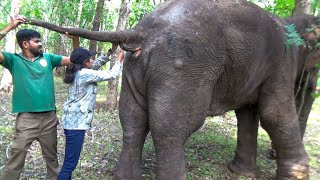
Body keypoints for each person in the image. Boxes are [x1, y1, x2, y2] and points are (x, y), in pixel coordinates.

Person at [0, 16, 73, 180]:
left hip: (49, 118)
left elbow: (74, 60)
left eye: (40, 41)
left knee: (52, 159)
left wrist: (75, 39)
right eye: (36, 41)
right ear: (25, 44)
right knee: (15, 158)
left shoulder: (48, 58)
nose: (40, 44)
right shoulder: (13, 60)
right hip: (26, 119)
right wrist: (10, 27)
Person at [57, 35, 123, 180]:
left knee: (70, 161)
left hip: (71, 123)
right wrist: (119, 58)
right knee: (70, 164)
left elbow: (96, 64)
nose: (93, 60)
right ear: (85, 62)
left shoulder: (77, 70)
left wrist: (110, 51)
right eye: (90, 59)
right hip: (75, 125)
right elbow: (112, 74)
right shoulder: (85, 74)